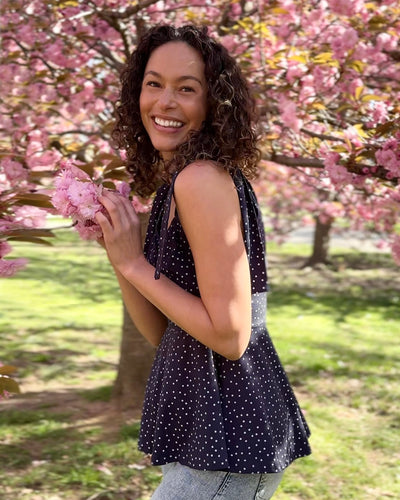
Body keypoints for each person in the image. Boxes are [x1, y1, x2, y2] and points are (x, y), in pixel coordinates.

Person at [96, 24, 311, 500]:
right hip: (211, 436)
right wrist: (121, 256)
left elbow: (232, 338)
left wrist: (135, 266)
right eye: (153, 84)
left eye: (186, 89)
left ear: (214, 103)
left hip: (231, 444)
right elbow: (164, 332)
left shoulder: (201, 180)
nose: (164, 102)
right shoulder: (181, 183)